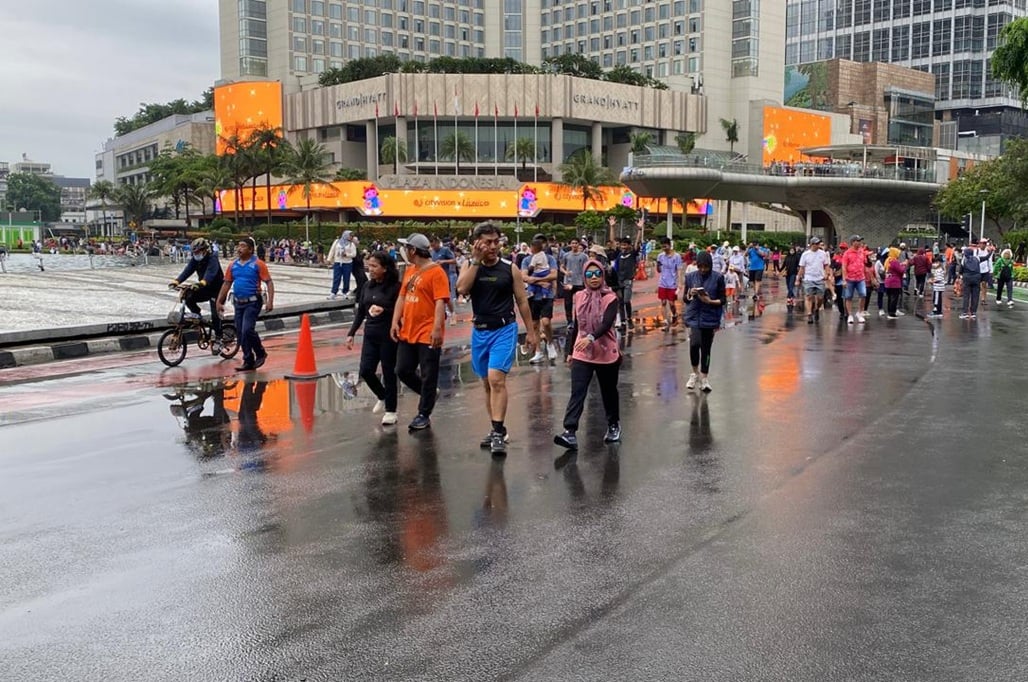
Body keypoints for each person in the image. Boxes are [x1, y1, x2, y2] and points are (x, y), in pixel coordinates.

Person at [456, 222, 538, 456]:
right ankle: (496, 428)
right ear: (477, 243)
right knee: (486, 383)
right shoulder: (470, 266)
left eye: (496, 242)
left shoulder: (509, 268)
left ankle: (499, 432)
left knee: (496, 379)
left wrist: (531, 333)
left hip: (504, 329)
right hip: (480, 331)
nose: (493, 246)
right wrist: (474, 260)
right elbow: (461, 289)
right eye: (487, 242)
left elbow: (522, 301)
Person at [553, 257, 623, 450]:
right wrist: (569, 351)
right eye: (589, 274)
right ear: (584, 276)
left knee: (608, 392)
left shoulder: (610, 298)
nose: (594, 278)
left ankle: (613, 424)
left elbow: (606, 323)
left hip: (606, 351)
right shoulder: (579, 297)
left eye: (597, 274)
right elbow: (576, 325)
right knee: (578, 391)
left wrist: (591, 338)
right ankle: (570, 432)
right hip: (582, 351)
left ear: (603, 275)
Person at [390, 233, 450, 430]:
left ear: (413, 250)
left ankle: (424, 413)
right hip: (408, 330)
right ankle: (429, 393)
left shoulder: (436, 272)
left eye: (407, 247)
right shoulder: (409, 271)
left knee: (428, 373)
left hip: (427, 331)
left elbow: (440, 301)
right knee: (403, 370)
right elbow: (402, 297)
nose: (405, 251)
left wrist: (437, 329)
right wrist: (395, 321)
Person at [346, 251, 402, 426]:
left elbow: (402, 311)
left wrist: (385, 310)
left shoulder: (395, 287)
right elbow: (361, 311)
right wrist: (351, 333)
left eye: (374, 266)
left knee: (389, 372)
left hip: (389, 335)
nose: (370, 270)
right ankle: (382, 395)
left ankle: (391, 411)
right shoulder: (367, 287)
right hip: (370, 334)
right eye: (369, 266)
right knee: (366, 371)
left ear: (385, 268)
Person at [216, 237, 274, 371]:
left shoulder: (258, 264)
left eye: (242, 246)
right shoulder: (233, 265)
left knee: (247, 329)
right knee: (241, 333)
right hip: (238, 303)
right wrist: (219, 301)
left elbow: (269, 282)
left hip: (253, 302)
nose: (239, 249)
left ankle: (260, 352)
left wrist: (270, 301)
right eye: (238, 246)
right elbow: (226, 283)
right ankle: (248, 360)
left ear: (251, 249)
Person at [169, 237, 225, 353]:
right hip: (204, 287)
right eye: (194, 252)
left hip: (217, 289)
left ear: (205, 250)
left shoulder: (212, 258)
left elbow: (211, 273)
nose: (196, 254)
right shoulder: (196, 259)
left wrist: (202, 283)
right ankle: (197, 316)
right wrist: (177, 281)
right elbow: (188, 270)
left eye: (198, 252)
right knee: (188, 296)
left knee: (215, 314)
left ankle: (219, 338)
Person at [683, 251, 726, 393]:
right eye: (700, 267)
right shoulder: (690, 277)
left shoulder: (718, 277)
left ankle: (704, 377)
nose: (702, 270)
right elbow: (685, 297)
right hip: (694, 315)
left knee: (706, 348)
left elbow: (723, 299)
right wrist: (691, 294)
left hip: (710, 316)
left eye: (705, 267)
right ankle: (694, 373)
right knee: (694, 343)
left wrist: (710, 301)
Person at [521, 237, 559, 364]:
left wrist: (537, 280)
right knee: (535, 324)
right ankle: (538, 351)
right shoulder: (526, 260)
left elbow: (554, 275)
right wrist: (541, 282)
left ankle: (550, 343)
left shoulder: (550, 258)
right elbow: (524, 276)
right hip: (532, 296)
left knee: (546, 322)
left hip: (547, 295)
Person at [796, 237, 831, 324]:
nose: (818, 245)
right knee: (808, 296)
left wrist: (827, 274)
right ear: (812, 245)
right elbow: (802, 267)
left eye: (819, 243)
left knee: (820, 298)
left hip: (819, 278)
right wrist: (798, 279)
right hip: (808, 278)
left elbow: (826, 265)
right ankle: (809, 314)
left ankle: (816, 309)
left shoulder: (822, 254)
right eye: (816, 244)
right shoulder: (805, 254)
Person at [560, 237, 589, 341]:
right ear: (570, 244)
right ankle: (569, 321)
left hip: (579, 282)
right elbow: (561, 266)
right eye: (572, 243)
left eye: (576, 243)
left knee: (580, 303)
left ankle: (579, 320)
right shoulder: (566, 255)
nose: (574, 245)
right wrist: (565, 272)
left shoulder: (584, 256)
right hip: (568, 282)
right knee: (568, 303)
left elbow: (587, 267)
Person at [655, 237, 683, 329]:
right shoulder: (660, 256)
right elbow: (658, 270)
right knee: (663, 302)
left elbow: (679, 270)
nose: (664, 248)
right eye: (662, 247)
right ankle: (665, 321)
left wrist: (680, 282)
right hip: (662, 282)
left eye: (665, 246)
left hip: (672, 283)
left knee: (671, 303)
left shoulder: (676, 256)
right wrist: (658, 266)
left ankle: (674, 314)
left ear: (669, 245)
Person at [614, 234, 641, 330]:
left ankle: (629, 318)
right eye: (622, 245)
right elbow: (613, 242)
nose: (623, 247)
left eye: (625, 245)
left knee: (626, 300)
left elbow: (637, 244)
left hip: (628, 280)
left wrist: (639, 230)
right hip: (619, 281)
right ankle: (623, 322)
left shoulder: (632, 254)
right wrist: (612, 227)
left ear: (629, 245)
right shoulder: (619, 255)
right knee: (620, 302)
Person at [429, 235, 458, 323]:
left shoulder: (445, 250)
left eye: (434, 245)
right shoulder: (432, 252)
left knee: (447, 296)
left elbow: (454, 260)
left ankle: (452, 312)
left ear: (438, 242)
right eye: (432, 246)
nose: (433, 247)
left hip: (445, 276)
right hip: (435, 277)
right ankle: (442, 312)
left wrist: (443, 261)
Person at [840, 234, 868, 324]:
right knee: (848, 297)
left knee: (863, 294)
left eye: (860, 241)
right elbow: (844, 267)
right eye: (858, 241)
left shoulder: (861, 251)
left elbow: (864, 264)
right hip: (849, 278)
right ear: (853, 242)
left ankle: (859, 312)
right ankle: (850, 315)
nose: (860, 243)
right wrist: (844, 279)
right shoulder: (847, 253)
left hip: (861, 278)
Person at [327, 230, 357, 300]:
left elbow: (354, 254)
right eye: (350, 235)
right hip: (338, 262)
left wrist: (347, 255)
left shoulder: (351, 244)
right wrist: (329, 259)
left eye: (352, 236)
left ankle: (345, 292)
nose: (351, 237)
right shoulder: (337, 241)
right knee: (336, 278)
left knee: (346, 278)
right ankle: (333, 292)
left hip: (347, 263)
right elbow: (332, 250)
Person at [883, 247, 906, 319]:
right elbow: (901, 270)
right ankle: (892, 313)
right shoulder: (894, 261)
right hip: (894, 282)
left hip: (888, 281)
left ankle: (890, 312)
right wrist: (904, 265)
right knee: (894, 298)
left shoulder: (888, 260)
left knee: (890, 297)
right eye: (898, 253)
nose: (898, 255)